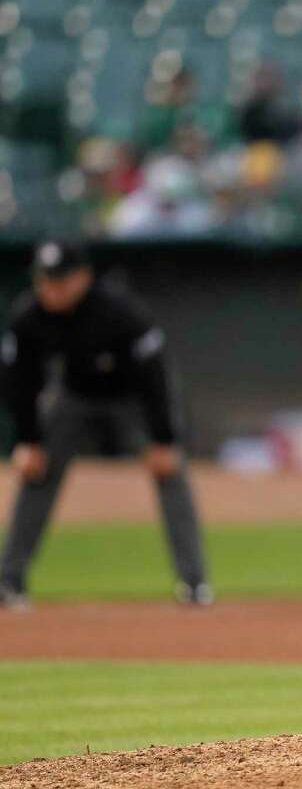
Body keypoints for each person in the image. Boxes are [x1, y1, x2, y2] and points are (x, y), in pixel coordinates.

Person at [0, 242, 210, 609]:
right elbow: (19, 382)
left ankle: (194, 583)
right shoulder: (28, 317)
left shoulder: (120, 311)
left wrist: (163, 438)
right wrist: (29, 440)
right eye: (45, 281)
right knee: (36, 472)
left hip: (131, 400)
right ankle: (9, 581)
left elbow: (154, 375)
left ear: (82, 278)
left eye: (60, 281)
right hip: (73, 397)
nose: (51, 290)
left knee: (170, 471)